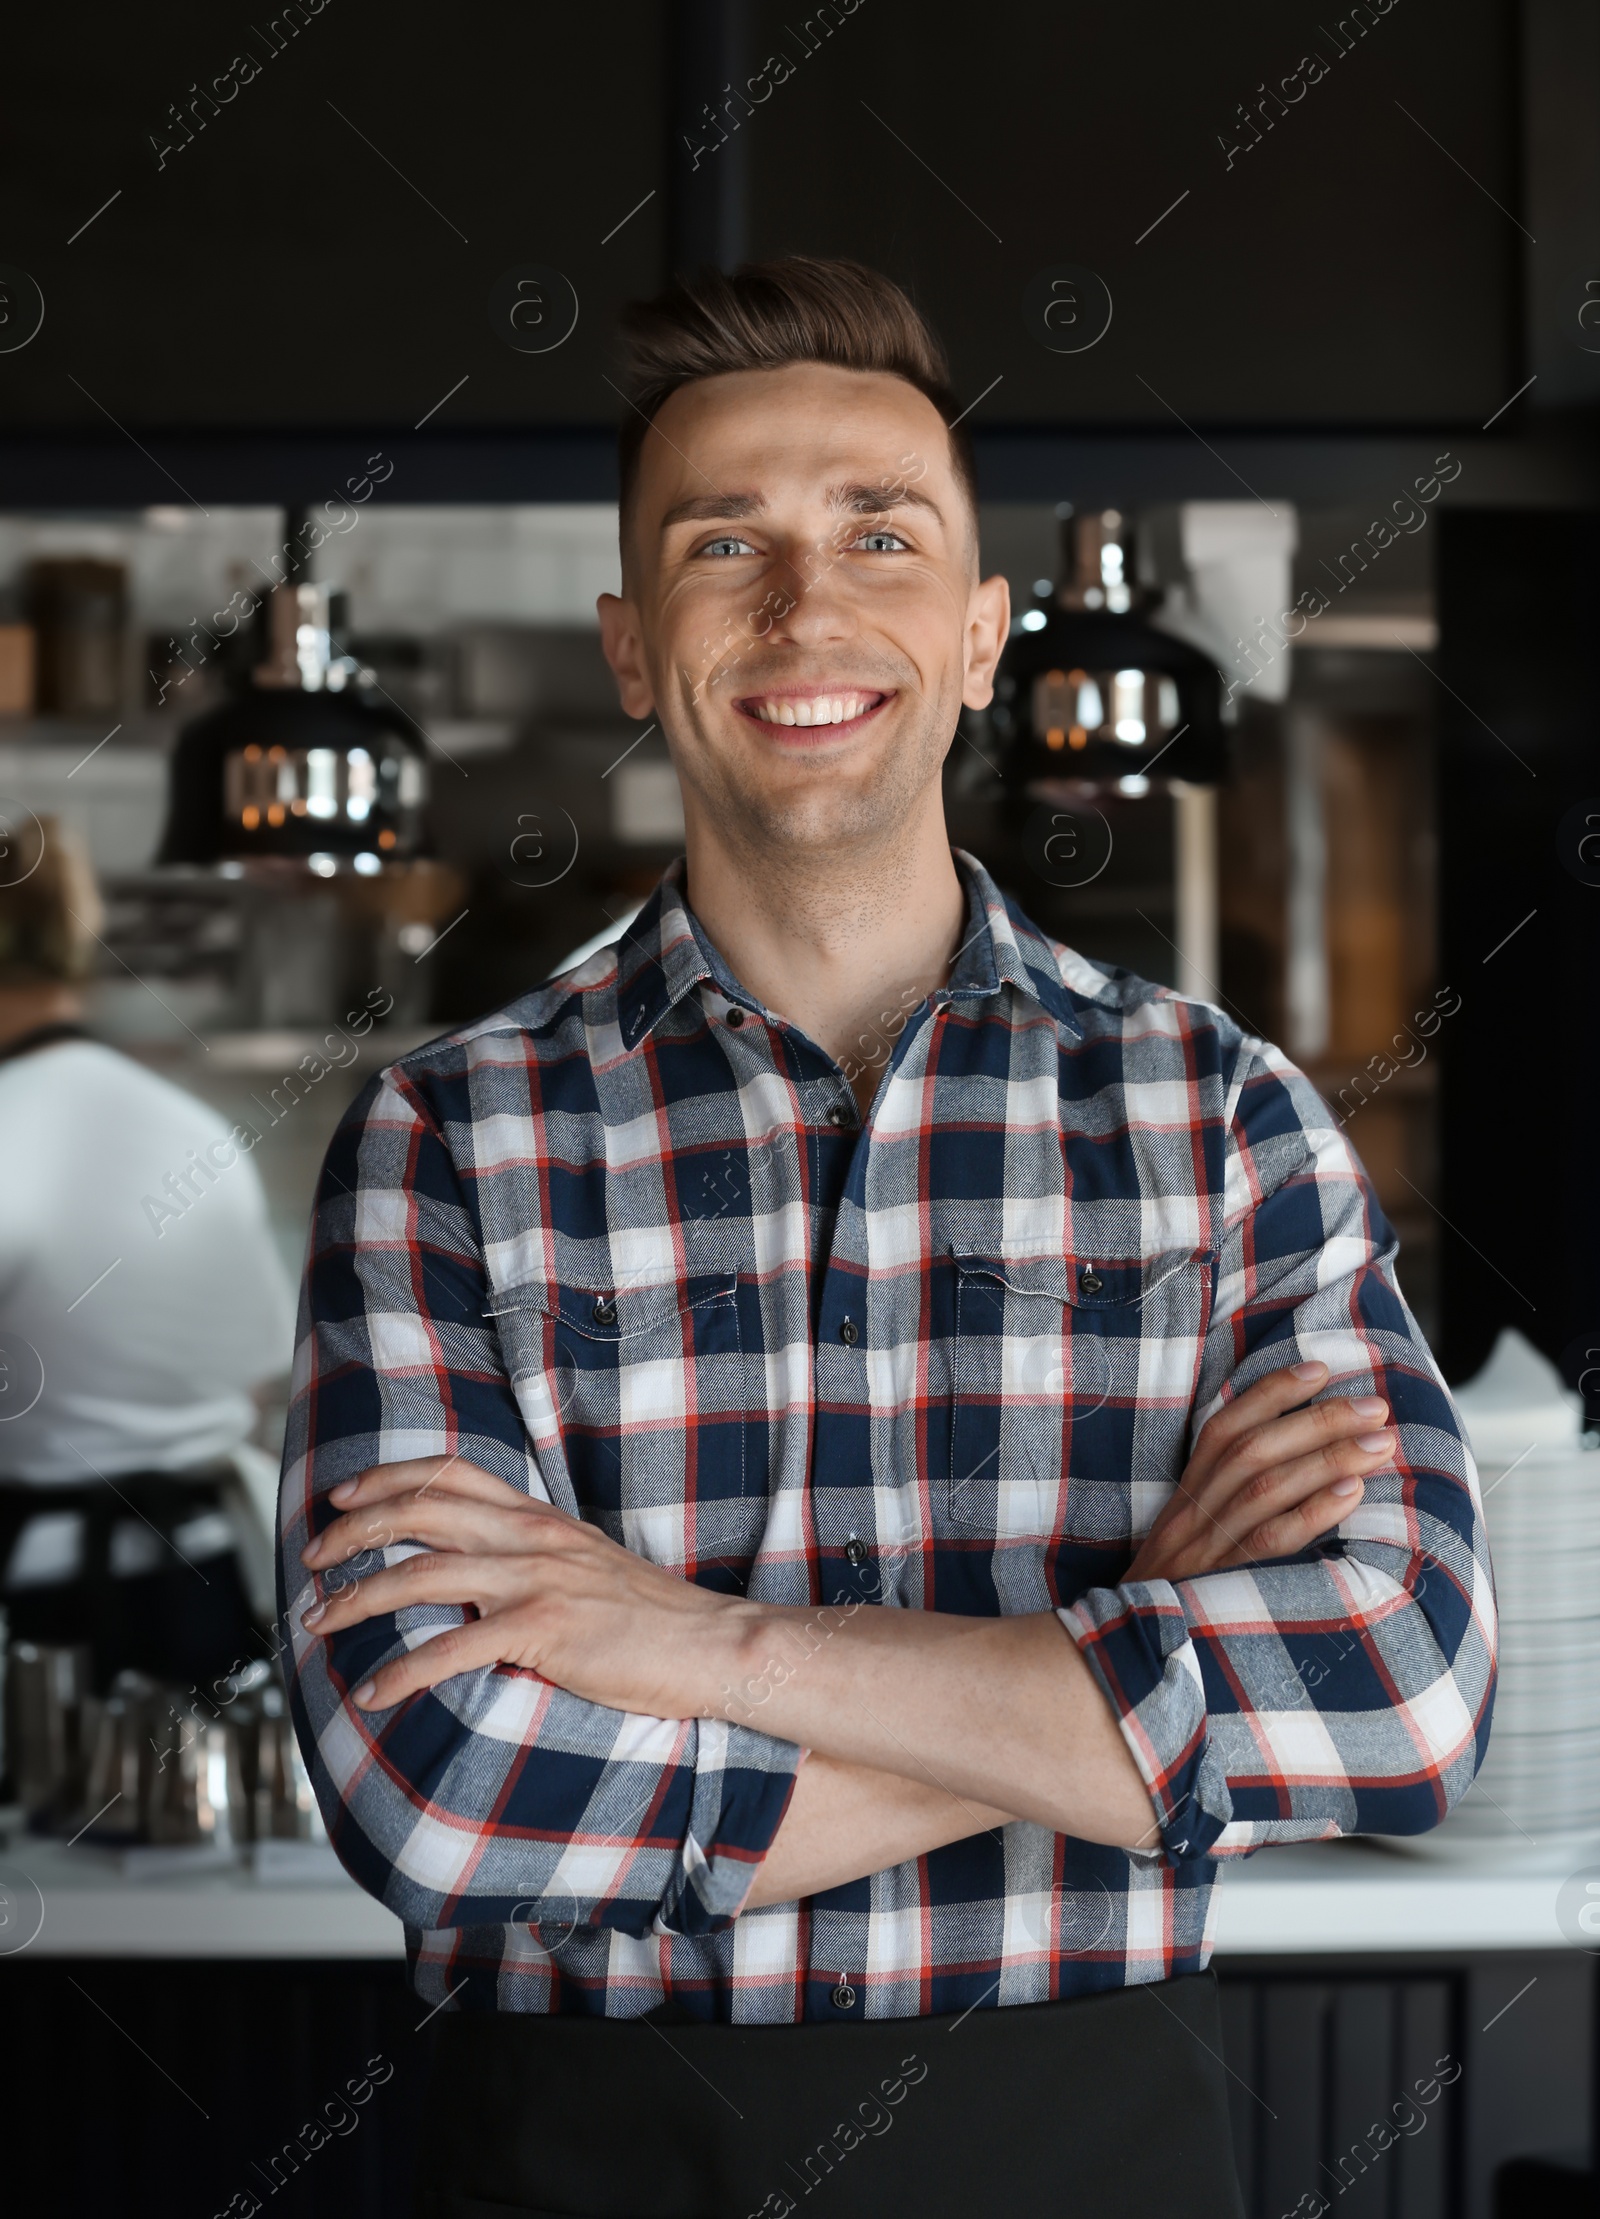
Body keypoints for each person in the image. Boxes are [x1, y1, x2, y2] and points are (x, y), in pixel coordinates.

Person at [282, 258, 1496, 2219]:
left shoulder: (1216, 1111)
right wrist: (1099, 1673)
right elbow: (445, 1791)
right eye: (719, 542)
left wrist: (706, 1646)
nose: (801, 602)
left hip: (1094, 2147)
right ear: (624, 641)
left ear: (976, 631)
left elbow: (1401, 1685)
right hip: (582, 2153)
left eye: (877, 531)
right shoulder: (449, 1136)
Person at [0, 814, 297, 1692]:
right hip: (204, 1583)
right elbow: (258, 1375)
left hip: (44, 1618)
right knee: (198, 1826)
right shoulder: (191, 1128)